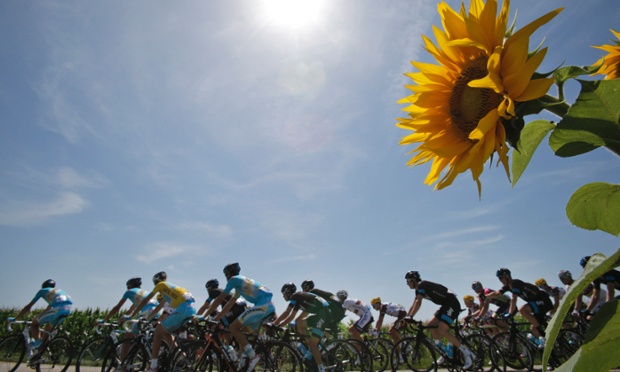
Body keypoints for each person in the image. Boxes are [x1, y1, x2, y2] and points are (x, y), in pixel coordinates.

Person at [203, 263, 275, 372]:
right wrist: (217, 318)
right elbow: (229, 304)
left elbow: (219, 299)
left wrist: (204, 316)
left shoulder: (233, 279)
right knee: (243, 330)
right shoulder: (240, 284)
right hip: (268, 306)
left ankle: (252, 356)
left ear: (228, 274)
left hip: (262, 306)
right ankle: (245, 358)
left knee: (233, 327)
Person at [404, 271, 473, 369]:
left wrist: (410, 317)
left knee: (441, 329)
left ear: (414, 280)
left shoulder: (422, 285)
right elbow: (414, 303)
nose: (407, 284)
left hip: (452, 303)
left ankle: (467, 353)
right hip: (445, 305)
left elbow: (418, 302)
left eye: (408, 281)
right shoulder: (418, 290)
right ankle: (445, 353)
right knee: (431, 325)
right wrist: (406, 317)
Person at [131, 271, 197, 372]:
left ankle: (153, 367)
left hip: (183, 308)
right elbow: (159, 307)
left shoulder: (161, 285)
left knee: (157, 331)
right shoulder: (168, 291)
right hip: (191, 308)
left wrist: (132, 315)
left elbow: (145, 301)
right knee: (164, 332)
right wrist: (148, 320)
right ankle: (180, 356)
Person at [273, 283, 332, 372]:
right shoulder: (300, 298)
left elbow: (287, 313)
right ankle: (310, 349)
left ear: (288, 292)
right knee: (300, 323)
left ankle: (321, 369)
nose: (283, 296)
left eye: (283, 294)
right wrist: (283, 325)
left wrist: (274, 325)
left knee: (313, 344)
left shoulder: (295, 296)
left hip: (323, 313)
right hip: (323, 312)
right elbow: (293, 317)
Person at [99, 277, 160, 361]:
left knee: (128, 335)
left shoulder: (129, 292)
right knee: (139, 335)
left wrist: (104, 320)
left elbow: (116, 308)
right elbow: (130, 310)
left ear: (129, 286)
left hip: (147, 312)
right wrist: (120, 319)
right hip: (156, 312)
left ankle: (122, 365)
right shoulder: (142, 293)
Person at [495, 268, 552, 349]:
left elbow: (514, 299)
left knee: (523, 309)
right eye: (499, 278)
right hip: (536, 304)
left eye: (501, 277)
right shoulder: (507, 286)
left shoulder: (515, 283)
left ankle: (542, 336)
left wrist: (510, 313)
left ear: (507, 276)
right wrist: (485, 296)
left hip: (543, 300)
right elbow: (497, 293)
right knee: (533, 328)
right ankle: (546, 343)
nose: (500, 280)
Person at [9, 279, 73, 349]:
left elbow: (28, 307)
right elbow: (48, 309)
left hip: (58, 310)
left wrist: (16, 318)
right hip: (67, 310)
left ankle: (38, 342)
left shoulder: (43, 291)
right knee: (46, 332)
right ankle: (40, 354)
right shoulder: (59, 291)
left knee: (34, 324)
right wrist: (40, 315)